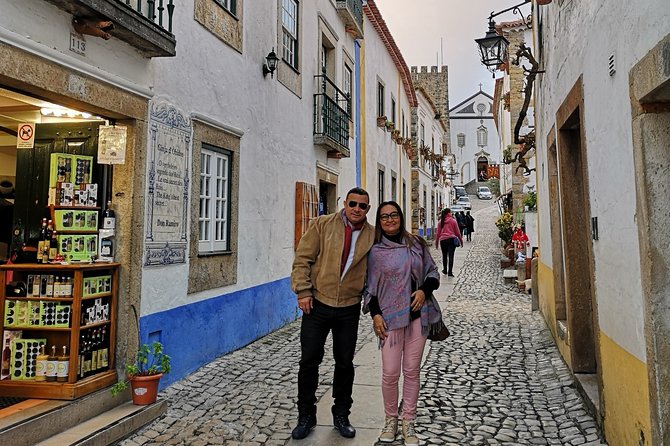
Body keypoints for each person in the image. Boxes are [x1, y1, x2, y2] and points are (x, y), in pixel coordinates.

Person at [290, 187, 375, 440]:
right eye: (353, 204)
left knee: (345, 362)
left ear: (367, 209)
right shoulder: (322, 225)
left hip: (349, 308)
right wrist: (303, 291)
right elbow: (302, 259)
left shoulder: (373, 235)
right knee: (309, 361)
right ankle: (306, 414)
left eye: (362, 206)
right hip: (317, 304)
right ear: (345, 204)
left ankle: (341, 414)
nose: (357, 209)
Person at [362, 201, 442, 446]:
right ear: (379, 220)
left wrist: (423, 291)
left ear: (401, 216)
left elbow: (433, 273)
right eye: (384, 216)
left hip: (418, 316)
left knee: (411, 371)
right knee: (389, 373)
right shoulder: (375, 251)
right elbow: (369, 289)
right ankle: (390, 419)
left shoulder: (416, 244)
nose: (389, 220)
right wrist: (375, 315)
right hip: (389, 320)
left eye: (394, 215)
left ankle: (409, 421)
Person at [434, 208, 463, 277]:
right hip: (451, 240)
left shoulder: (440, 222)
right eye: (450, 212)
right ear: (448, 213)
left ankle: (444, 270)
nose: (451, 213)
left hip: (443, 241)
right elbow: (457, 232)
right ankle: (450, 272)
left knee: (444, 255)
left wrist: (436, 243)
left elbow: (437, 233)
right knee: (451, 256)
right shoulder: (453, 221)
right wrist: (461, 240)